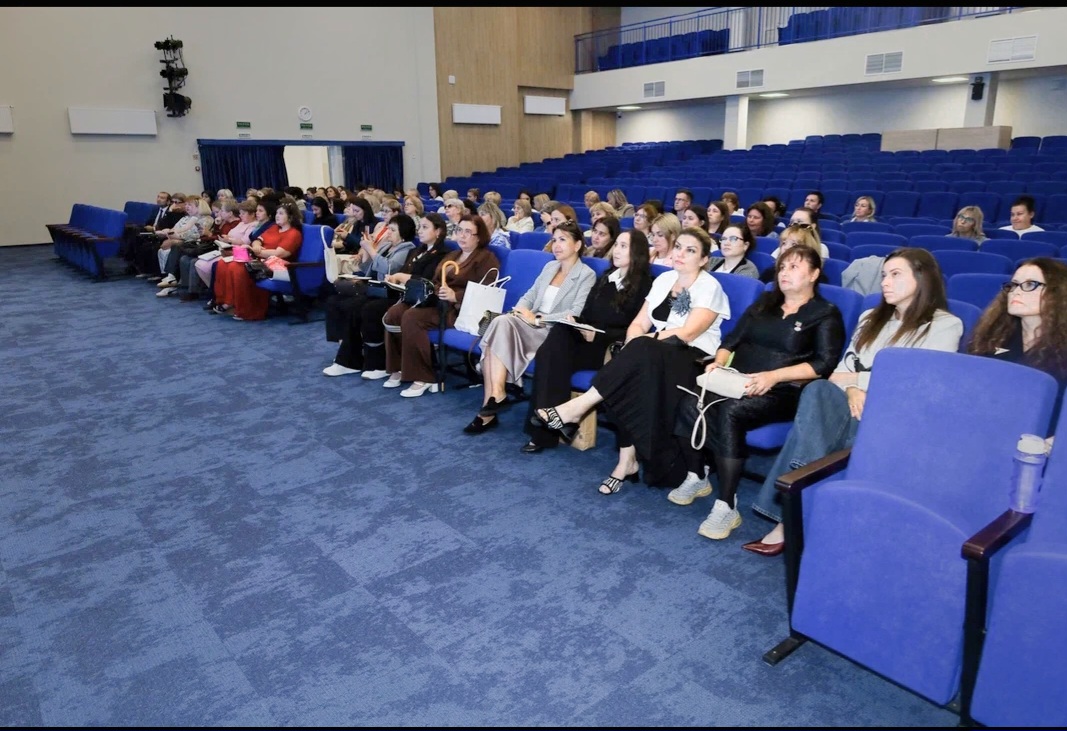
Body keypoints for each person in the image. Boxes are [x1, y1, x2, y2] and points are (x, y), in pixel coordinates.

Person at [745, 248, 964, 555]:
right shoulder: (870, 318)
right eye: (884, 275)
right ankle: (801, 496)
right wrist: (852, 390)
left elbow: (919, 383)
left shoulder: (944, 325)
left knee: (818, 416)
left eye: (895, 274)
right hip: (851, 406)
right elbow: (837, 373)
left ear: (922, 277)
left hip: (894, 413)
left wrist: (858, 382)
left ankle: (791, 507)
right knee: (818, 390)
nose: (884, 282)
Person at [532, 227, 731, 491]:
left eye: (690, 250)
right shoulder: (665, 280)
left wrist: (641, 342)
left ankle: (578, 409)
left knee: (638, 354)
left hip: (690, 358)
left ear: (704, 259)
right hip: (654, 353)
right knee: (630, 364)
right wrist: (634, 343)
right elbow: (638, 323)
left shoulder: (709, 287)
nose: (681, 253)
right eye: (678, 247)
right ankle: (626, 462)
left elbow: (687, 333)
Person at [669, 245, 845, 540]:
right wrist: (719, 362)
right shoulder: (765, 303)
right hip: (737, 381)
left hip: (784, 391)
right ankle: (697, 476)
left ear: (814, 274)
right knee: (689, 402)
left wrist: (773, 376)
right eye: (782, 267)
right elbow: (732, 340)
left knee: (729, 412)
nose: (784, 272)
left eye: (794, 267)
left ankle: (727, 505)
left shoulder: (825, 314)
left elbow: (823, 365)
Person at [522, 230, 653, 452]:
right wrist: (577, 322)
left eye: (624, 246)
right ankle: (554, 423)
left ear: (637, 252)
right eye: (617, 245)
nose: (616, 250)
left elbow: (634, 330)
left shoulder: (645, 286)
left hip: (609, 348)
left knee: (554, 354)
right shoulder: (606, 277)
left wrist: (598, 334)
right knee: (554, 344)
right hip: (587, 338)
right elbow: (588, 313)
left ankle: (547, 428)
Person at [465, 221, 596, 434]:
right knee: (499, 323)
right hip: (527, 325)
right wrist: (520, 310)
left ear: (578, 245)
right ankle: (495, 396)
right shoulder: (550, 267)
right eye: (554, 239)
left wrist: (536, 318)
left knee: (494, 333)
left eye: (563, 240)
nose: (556, 245)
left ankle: (490, 408)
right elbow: (530, 295)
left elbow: (575, 312)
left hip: (553, 332)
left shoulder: (586, 274)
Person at [382, 214, 500, 398]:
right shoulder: (453, 255)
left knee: (412, 317)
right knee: (395, 312)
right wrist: (431, 289)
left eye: (468, 232)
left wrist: (455, 296)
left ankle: (424, 377)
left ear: (479, 237)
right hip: (436, 301)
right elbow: (435, 281)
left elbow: (486, 291)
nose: (462, 235)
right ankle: (398, 368)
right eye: (459, 230)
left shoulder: (486, 258)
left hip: (458, 310)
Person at [969, 258, 1067, 443]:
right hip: (989, 432)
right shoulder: (994, 336)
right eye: (1013, 285)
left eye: (1030, 284)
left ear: (1058, 293)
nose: (1016, 291)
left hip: (1045, 442)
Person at [357, 214, 451, 381]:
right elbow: (404, 273)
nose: (420, 231)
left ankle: (392, 365)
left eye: (425, 227)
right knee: (384, 311)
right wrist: (394, 278)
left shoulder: (443, 254)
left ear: (438, 231)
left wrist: (400, 276)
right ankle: (392, 366)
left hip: (424, 300)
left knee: (384, 311)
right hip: (406, 295)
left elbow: (427, 280)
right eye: (420, 227)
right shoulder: (418, 250)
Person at [322, 215, 418, 376]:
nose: (388, 232)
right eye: (388, 229)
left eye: (393, 230)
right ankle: (347, 352)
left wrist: (371, 249)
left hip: (390, 292)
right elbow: (369, 267)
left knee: (359, 308)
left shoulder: (406, 249)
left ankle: (365, 360)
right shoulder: (386, 246)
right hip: (374, 287)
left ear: (403, 233)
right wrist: (367, 251)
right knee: (335, 301)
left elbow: (389, 269)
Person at [212, 199, 303, 321]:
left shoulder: (293, 233)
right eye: (277, 213)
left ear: (290, 217)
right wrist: (256, 247)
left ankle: (246, 310)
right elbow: (257, 239)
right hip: (260, 258)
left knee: (237, 267)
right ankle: (228, 301)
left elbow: (279, 253)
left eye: (281, 213)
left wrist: (256, 251)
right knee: (223, 263)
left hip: (277, 266)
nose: (277, 216)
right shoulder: (274, 228)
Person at [193, 198, 259, 305]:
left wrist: (229, 240)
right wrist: (226, 239)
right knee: (199, 264)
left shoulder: (254, 225)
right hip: (227, 248)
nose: (240, 215)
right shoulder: (241, 223)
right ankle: (216, 292)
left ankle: (218, 296)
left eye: (243, 213)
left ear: (252, 214)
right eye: (240, 213)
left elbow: (245, 241)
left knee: (214, 266)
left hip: (239, 252)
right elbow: (229, 235)